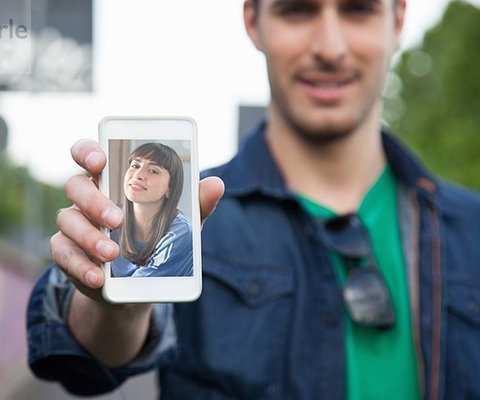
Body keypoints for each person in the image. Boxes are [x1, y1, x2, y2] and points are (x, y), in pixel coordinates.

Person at [26, 0, 480, 399]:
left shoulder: (473, 230)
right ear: (253, 20)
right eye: (297, 9)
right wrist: (110, 301)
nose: (329, 46)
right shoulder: (199, 213)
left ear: (398, 19)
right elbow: (89, 356)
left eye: (357, 8)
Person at [111, 142, 192, 277]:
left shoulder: (182, 233)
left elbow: (137, 291)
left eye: (153, 171)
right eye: (135, 165)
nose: (138, 175)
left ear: (170, 188)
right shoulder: (109, 221)